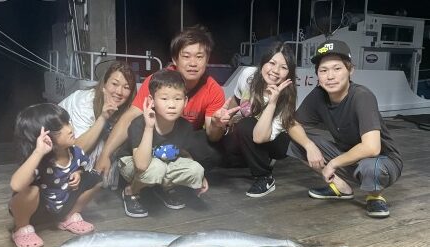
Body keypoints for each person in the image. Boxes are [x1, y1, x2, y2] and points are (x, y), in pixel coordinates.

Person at [95, 25, 236, 217]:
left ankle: (167, 186)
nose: (193, 62)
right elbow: (130, 117)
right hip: (149, 138)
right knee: (148, 163)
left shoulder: (213, 89)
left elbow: (212, 134)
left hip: (178, 139)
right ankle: (136, 187)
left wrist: (219, 124)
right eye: (186, 56)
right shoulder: (157, 81)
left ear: (207, 59)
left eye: (199, 56)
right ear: (175, 60)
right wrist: (105, 154)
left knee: (213, 152)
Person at [287, 39, 403, 218]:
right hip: (348, 156)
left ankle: (374, 196)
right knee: (297, 141)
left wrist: (333, 163)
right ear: (317, 74)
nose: (330, 76)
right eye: (323, 71)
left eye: (337, 68)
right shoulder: (319, 94)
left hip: (383, 161)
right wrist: (309, 146)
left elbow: (372, 148)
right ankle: (341, 187)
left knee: (370, 167)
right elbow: (292, 123)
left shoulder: (362, 96)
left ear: (350, 70)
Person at [9, 104, 102, 247]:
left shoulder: (76, 152)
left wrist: (78, 173)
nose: (70, 128)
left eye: (67, 122)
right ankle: (21, 228)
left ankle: (69, 217)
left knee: (95, 179)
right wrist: (39, 152)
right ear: (42, 137)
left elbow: (83, 167)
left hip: (63, 204)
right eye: (60, 128)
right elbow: (16, 185)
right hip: (38, 211)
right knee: (29, 191)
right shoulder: (39, 161)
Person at [117, 69, 209, 217]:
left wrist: (201, 176)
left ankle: (163, 188)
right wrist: (149, 126)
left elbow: (183, 152)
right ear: (151, 101)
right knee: (156, 168)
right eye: (164, 99)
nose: (171, 105)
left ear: (185, 101)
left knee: (196, 169)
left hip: (160, 163)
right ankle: (131, 191)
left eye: (177, 99)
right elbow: (141, 165)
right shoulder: (139, 123)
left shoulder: (185, 126)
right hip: (131, 163)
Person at [220, 42, 297, 197]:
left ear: (289, 73)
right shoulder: (248, 75)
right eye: (272, 63)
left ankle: (264, 176)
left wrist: (273, 101)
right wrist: (226, 122)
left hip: (274, 141)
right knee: (223, 151)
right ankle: (252, 158)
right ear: (263, 63)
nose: (275, 71)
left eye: (283, 67)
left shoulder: (286, 97)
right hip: (250, 132)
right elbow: (237, 98)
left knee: (246, 125)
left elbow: (260, 136)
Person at [59, 61, 136, 190]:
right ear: (104, 84)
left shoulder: (126, 108)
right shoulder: (85, 102)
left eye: (126, 87)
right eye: (114, 84)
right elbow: (76, 148)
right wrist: (103, 117)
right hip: (58, 150)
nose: (119, 91)